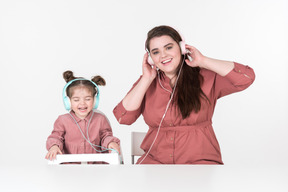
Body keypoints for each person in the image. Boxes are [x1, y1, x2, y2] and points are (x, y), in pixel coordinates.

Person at [113, 25, 255, 164]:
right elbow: (123, 117)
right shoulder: (147, 81)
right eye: (156, 52)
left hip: (199, 164)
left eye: (168, 47)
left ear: (181, 48)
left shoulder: (206, 76)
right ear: (150, 58)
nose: (163, 55)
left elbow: (246, 78)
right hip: (155, 164)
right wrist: (146, 79)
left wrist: (204, 61)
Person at [45, 71, 120, 162]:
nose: (82, 103)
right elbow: (56, 137)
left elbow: (106, 136)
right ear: (68, 102)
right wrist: (54, 146)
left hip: (96, 168)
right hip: (70, 169)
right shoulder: (62, 120)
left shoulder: (100, 119)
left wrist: (110, 142)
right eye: (76, 100)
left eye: (88, 99)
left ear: (95, 100)